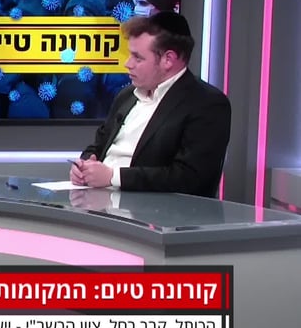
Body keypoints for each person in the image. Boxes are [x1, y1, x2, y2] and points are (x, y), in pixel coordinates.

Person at [69, 11, 230, 198]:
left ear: (168, 60)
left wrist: (114, 177)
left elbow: (190, 177)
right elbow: (98, 145)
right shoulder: (127, 96)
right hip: (97, 199)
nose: (128, 64)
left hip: (153, 210)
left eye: (138, 58)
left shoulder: (207, 103)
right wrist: (84, 166)